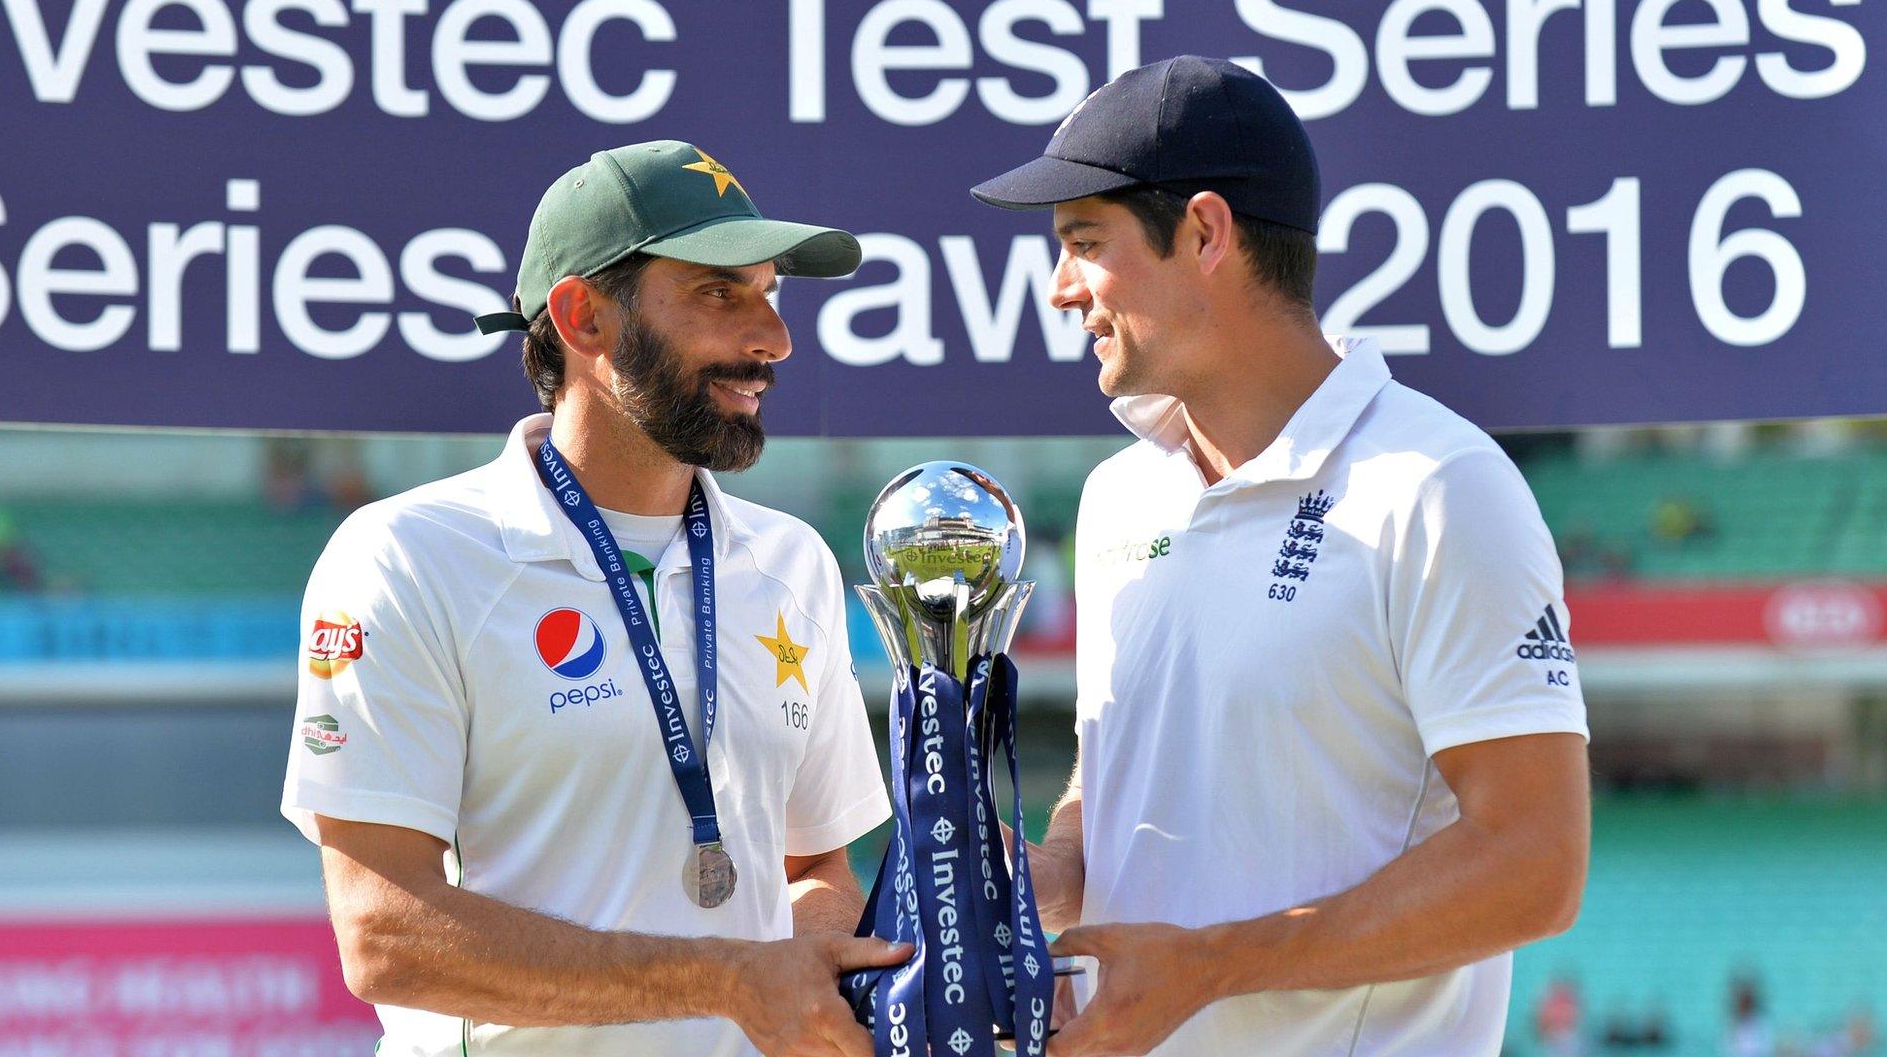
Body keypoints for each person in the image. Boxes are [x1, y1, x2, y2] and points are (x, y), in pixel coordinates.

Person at [969, 56, 1592, 1055]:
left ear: (1205, 233)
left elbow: (1533, 862)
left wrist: (1211, 965)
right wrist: (1057, 869)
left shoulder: (1436, 485)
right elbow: (1123, 772)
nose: (1057, 289)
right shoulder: (1115, 496)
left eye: (1084, 243)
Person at [281, 140, 906, 1057]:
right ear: (583, 317)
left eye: (770, 294)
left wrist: (808, 968)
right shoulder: (406, 558)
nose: (772, 338)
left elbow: (815, 865)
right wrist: (726, 980)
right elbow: (387, 936)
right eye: (718, 294)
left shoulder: (791, 561)